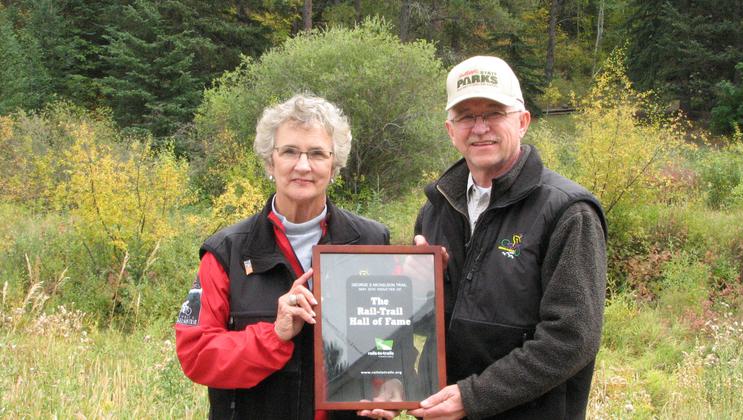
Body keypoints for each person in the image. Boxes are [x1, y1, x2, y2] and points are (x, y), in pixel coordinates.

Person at [410, 56, 608, 419]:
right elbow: (421, 325)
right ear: (450, 130)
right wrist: (415, 288)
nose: (480, 127)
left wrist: (473, 397)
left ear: (523, 121)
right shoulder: (435, 210)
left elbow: (571, 337)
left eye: (494, 113)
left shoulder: (568, 212)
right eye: (467, 116)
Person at [175, 95, 390, 419]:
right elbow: (196, 355)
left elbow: (390, 338)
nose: (303, 165)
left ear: (334, 166)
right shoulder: (227, 251)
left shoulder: (372, 242)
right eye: (290, 151)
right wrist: (273, 335)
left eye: (317, 153)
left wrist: (387, 387)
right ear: (269, 162)